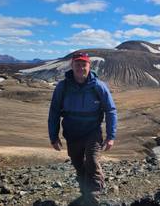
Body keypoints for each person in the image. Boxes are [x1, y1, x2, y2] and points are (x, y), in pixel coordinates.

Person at [48, 51, 117, 205]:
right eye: (77, 64)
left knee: (92, 161)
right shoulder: (63, 86)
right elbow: (54, 111)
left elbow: (110, 110)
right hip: (72, 134)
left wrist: (111, 136)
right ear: (72, 66)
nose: (80, 68)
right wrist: (53, 136)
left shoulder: (98, 86)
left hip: (92, 132)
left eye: (83, 64)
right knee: (78, 164)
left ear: (89, 66)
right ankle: (85, 193)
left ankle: (93, 198)